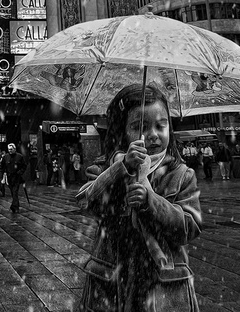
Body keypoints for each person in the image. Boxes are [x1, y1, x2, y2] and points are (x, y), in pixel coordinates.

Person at [78, 83, 201, 311]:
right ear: (122, 131)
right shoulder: (104, 170)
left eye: (160, 126)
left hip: (163, 287)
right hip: (112, 282)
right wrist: (121, 170)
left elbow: (189, 228)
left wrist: (150, 202)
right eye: (139, 127)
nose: (153, 135)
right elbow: (87, 203)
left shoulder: (181, 175)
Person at [0, 143, 27, 213]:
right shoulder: (6, 157)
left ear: (14, 149)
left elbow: (24, 166)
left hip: (16, 177)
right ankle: (15, 206)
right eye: (9, 149)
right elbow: (1, 166)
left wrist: (20, 172)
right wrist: (2, 175)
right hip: (9, 177)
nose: (10, 151)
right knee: (13, 192)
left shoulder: (19, 157)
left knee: (15, 191)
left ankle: (15, 207)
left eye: (11, 149)